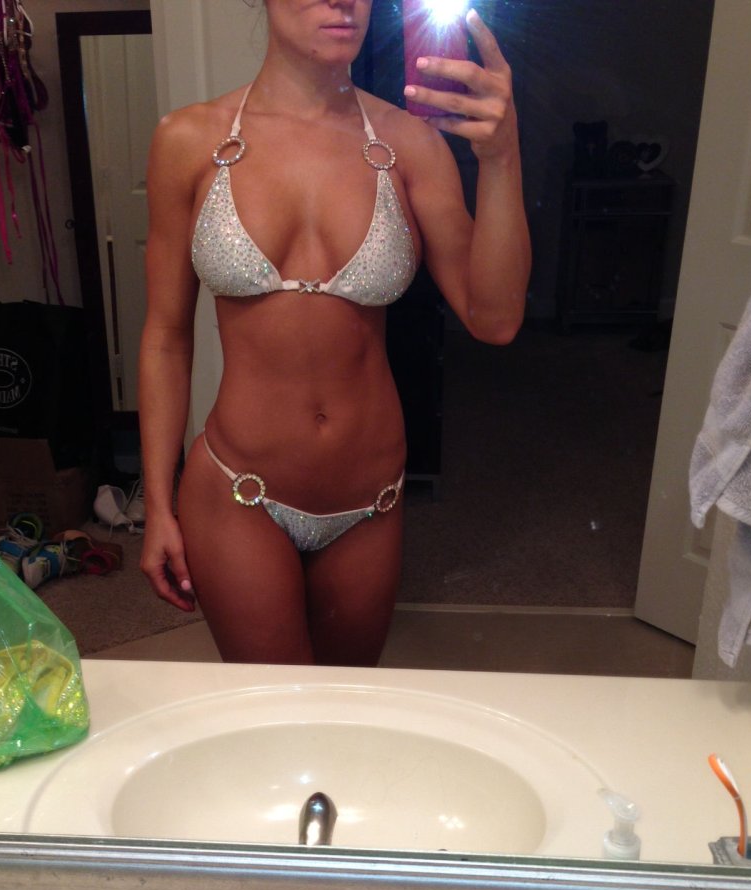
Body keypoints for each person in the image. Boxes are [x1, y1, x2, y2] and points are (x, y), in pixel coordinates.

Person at [138, 0, 530, 665]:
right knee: (277, 712)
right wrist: (156, 504)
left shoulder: (412, 144)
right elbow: (166, 337)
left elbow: (495, 319)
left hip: (370, 500)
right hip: (238, 488)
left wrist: (501, 158)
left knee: (346, 708)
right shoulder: (188, 140)